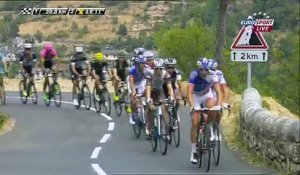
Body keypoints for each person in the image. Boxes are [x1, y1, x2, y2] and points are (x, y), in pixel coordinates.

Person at [188, 57, 222, 164]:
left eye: (206, 70)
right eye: (202, 69)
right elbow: (189, 92)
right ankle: (193, 150)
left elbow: (219, 92)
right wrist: (192, 106)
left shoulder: (213, 75)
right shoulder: (194, 75)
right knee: (195, 123)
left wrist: (219, 105)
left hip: (207, 95)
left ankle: (210, 127)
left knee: (212, 107)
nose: (204, 72)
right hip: (196, 97)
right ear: (199, 69)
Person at [145, 58, 174, 139]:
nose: (158, 70)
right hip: (150, 90)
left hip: (159, 91)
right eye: (156, 68)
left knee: (164, 108)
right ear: (153, 68)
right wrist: (148, 99)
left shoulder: (166, 74)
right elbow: (148, 87)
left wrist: (171, 97)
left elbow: (169, 87)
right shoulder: (150, 73)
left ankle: (165, 130)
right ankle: (149, 126)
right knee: (151, 108)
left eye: (160, 68)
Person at [128, 54, 149, 124]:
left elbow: (148, 80)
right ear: (137, 64)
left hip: (141, 82)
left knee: (146, 94)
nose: (142, 65)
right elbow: (131, 81)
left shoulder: (147, 68)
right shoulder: (133, 69)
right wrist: (133, 91)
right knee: (133, 99)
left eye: (143, 63)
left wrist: (147, 89)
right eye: (140, 64)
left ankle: (146, 111)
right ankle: (133, 114)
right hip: (133, 82)